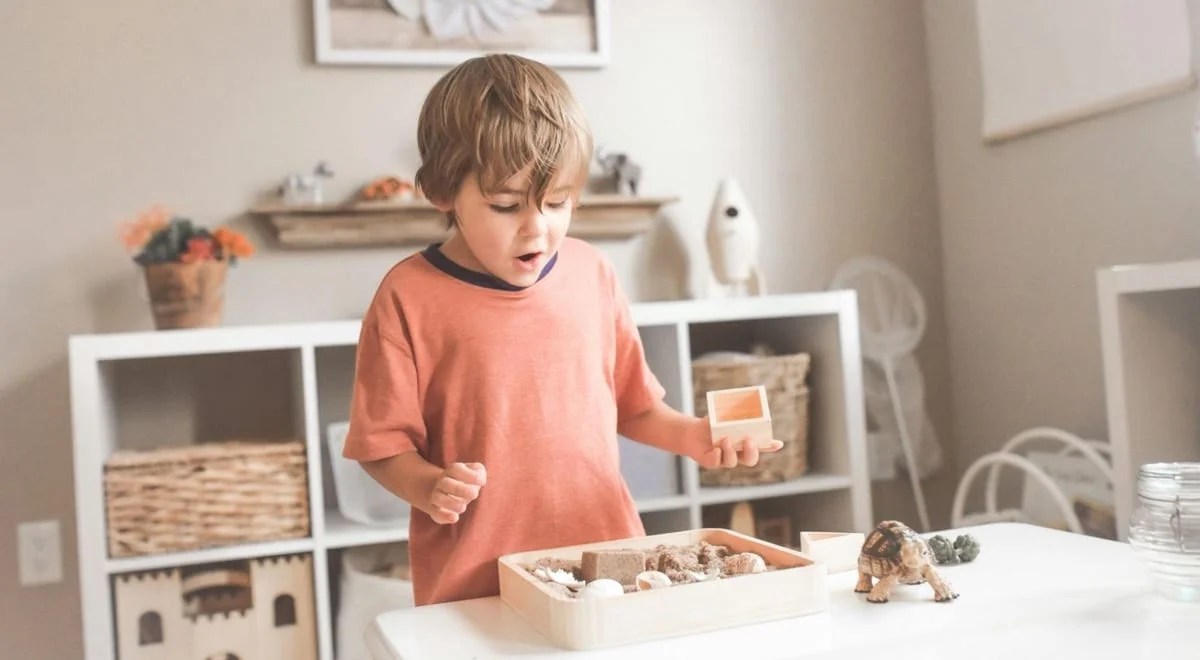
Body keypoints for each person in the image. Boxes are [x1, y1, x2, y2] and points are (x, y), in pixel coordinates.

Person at [343, 53, 781, 606]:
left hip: (608, 565)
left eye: (558, 203)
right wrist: (428, 487)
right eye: (505, 206)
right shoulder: (407, 296)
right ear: (442, 192)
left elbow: (635, 406)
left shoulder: (591, 273)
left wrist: (695, 438)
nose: (537, 228)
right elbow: (379, 445)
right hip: (477, 583)